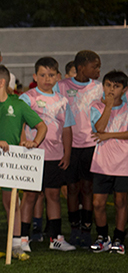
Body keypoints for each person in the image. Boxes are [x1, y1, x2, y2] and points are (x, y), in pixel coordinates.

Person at [0, 65, 47, 260]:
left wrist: (34, 143)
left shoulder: (18, 104)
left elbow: (41, 126)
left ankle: (16, 246)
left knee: (12, 202)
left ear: (2, 82)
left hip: (11, 163)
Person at [19, 57, 76, 252]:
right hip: (32, 155)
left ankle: (56, 238)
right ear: (35, 76)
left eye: (51, 75)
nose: (47, 79)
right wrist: (21, 145)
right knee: (30, 195)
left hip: (54, 156)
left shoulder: (62, 101)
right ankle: (23, 239)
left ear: (58, 77)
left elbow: (67, 129)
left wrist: (67, 153)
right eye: (42, 75)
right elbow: (20, 123)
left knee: (53, 195)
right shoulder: (27, 98)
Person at [57, 51, 102, 247]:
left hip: (91, 144)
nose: (98, 70)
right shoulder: (62, 86)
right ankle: (74, 227)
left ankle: (86, 227)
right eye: (95, 66)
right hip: (70, 146)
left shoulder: (99, 87)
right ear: (81, 68)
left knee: (88, 187)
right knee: (72, 188)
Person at [89, 70, 128, 254]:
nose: (112, 89)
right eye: (108, 85)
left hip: (124, 163)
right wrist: (109, 106)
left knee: (121, 201)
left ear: (124, 89)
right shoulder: (96, 106)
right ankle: (103, 237)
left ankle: (119, 238)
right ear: (102, 86)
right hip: (102, 162)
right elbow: (99, 128)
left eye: (117, 86)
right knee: (98, 202)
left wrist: (109, 136)